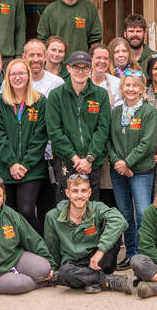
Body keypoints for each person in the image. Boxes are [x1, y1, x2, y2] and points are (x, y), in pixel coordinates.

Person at [44, 174, 132, 293]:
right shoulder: (52, 216)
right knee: (64, 273)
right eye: (75, 191)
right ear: (67, 193)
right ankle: (105, 281)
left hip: (98, 260)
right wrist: (53, 270)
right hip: (73, 264)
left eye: (83, 191)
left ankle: (87, 280)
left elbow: (120, 221)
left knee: (113, 228)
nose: (79, 195)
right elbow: (52, 247)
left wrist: (99, 252)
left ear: (89, 192)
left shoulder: (97, 207)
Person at [0, 58, 50, 232]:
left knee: (26, 210)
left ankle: (39, 247)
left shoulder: (40, 102)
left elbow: (40, 137)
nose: (17, 77)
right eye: (13, 74)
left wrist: (24, 164)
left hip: (31, 169)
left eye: (21, 73)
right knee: (7, 214)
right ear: (7, 77)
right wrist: (12, 163)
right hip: (4, 167)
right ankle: (14, 251)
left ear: (28, 76)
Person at [108, 71, 157, 266]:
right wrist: (118, 163)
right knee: (125, 214)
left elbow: (147, 143)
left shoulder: (148, 112)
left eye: (135, 85)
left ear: (142, 89)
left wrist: (127, 163)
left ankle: (144, 254)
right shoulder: (115, 112)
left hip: (141, 171)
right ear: (122, 88)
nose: (131, 89)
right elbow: (109, 141)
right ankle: (130, 253)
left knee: (142, 212)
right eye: (127, 85)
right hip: (118, 171)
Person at [46, 50, 111, 199]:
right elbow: (54, 131)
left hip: (91, 163)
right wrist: (75, 158)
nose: (81, 71)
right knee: (65, 205)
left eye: (85, 67)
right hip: (66, 161)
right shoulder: (56, 95)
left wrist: (89, 159)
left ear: (90, 69)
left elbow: (102, 129)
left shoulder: (100, 94)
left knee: (91, 204)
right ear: (68, 68)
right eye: (76, 67)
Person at [37, 0, 102, 55]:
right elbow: (42, 40)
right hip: (56, 64)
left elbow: (95, 41)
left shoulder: (90, 9)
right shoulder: (50, 10)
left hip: (81, 64)